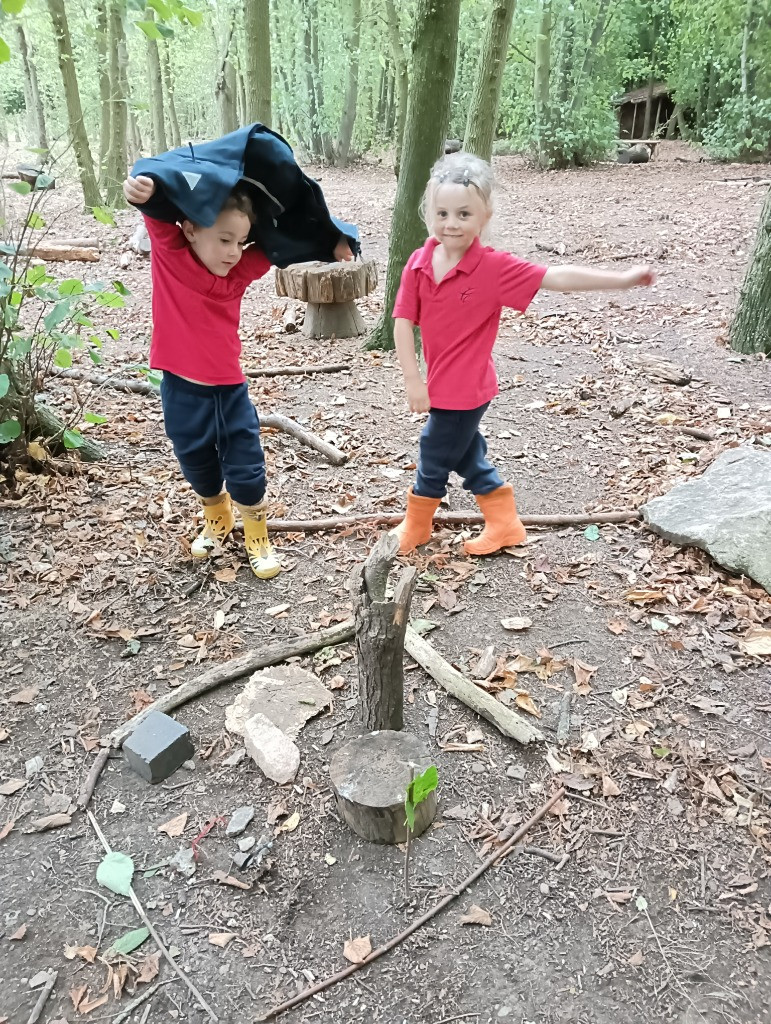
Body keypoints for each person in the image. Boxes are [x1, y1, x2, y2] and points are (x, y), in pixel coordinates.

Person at [391, 151, 655, 557]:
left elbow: (556, 278)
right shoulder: (419, 261)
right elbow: (403, 321)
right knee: (465, 454)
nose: (451, 223)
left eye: (464, 214)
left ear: (485, 215)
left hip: (468, 388)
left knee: (434, 452)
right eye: (442, 213)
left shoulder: (493, 268)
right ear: (429, 213)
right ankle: (505, 524)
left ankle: (418, 525)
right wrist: (412, 379)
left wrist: (621, 280)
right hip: (437, 383)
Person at [123, 130, 355, 580]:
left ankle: (256, 530)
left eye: (240, 242)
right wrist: (146, 191)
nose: (233, 252)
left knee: (245, 461)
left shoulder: (240, 268)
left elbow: (280, 247)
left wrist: (332, 242)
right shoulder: (171, 255)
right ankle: (217, 515)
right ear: (190, 228)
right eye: (224, 239)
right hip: (180, 386)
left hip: (229, 389)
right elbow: (155, 207)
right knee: (194, 458)